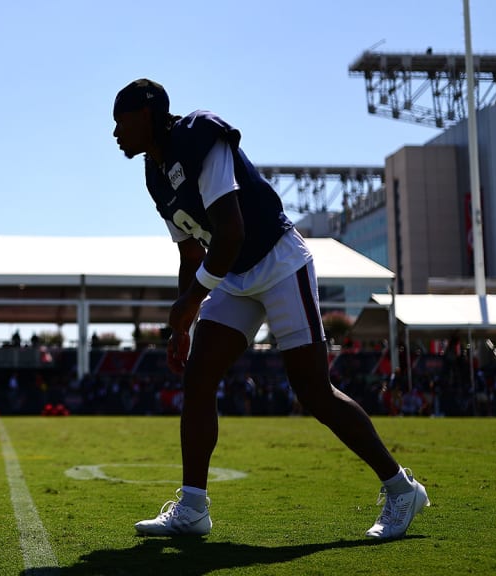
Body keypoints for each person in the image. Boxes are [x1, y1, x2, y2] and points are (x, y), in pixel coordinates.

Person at [111, 79, 429, 539]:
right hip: (234, 277)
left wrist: (191, 300)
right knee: (198, 377)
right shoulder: (154, 175)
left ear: (146, 113)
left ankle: (401, 489)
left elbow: (232, 231)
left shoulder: (200, 135)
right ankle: (193, 508)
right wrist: (186, 324)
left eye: (120, 119)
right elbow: (191, 255)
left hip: (278, 262)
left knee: (315, 392)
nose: (115, 131)